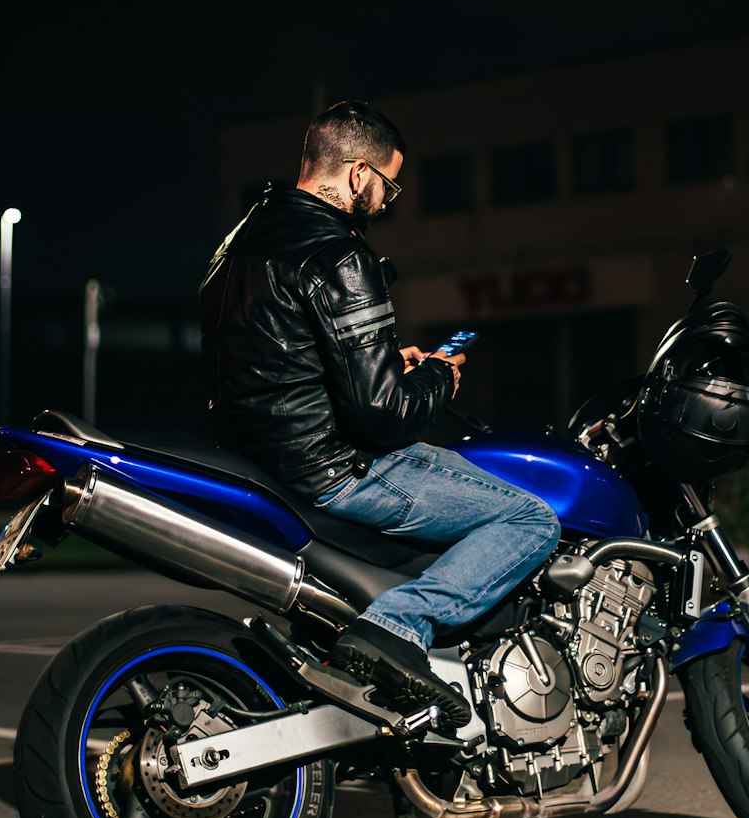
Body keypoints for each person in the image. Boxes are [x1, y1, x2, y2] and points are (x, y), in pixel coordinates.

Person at [199, 98, 561, 725]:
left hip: (260, 458)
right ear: (360, 172)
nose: (387, 203)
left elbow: (283, 359)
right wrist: (439, 380)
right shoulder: (339, 252)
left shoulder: (239, 243)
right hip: (335, 469)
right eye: (388, 186)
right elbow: (384, 417)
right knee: (532, 520)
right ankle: (398, 626)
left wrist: (391, 363)